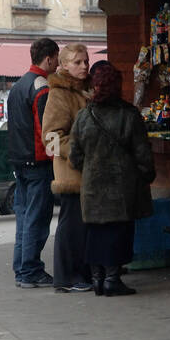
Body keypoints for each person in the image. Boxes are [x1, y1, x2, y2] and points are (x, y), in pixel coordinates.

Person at [70, 61, 154, 296]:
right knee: (117, 233)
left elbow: (74, 156)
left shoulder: (84, 116)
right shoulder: (129, 115)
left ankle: (97, 279)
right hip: (121, 188)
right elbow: (142, 153)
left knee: (95, 232)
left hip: (92, 188)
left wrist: (90, 169)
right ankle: (112, 279)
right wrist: (147, 173)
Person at [7, 37, 59, 288]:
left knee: (24, 218)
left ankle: (21, 268)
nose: (58, 65)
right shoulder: (41, 87)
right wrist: (56, 155)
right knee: (37, 220)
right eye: (57, 59)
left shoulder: (17, 86)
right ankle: (30, 270)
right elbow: (45, 128)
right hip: (38, 163)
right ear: (49, 58)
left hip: (19, 162)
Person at [44, 44, 93, 293]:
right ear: (63, 65)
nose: (84, 66)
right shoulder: (59, 93)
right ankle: (66, 277)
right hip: (71, 171)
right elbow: (50, 137)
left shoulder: (86, 90)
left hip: (88, 171)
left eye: (86, 61)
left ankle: (81, 273)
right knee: (71, 224)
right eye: (77, 62)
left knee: (83, 224)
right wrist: (78, 152)